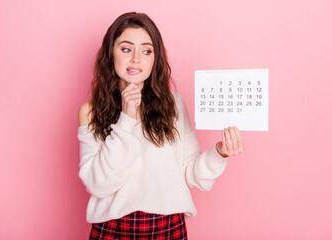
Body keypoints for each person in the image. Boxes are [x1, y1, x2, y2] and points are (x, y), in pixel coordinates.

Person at [78, 12, 244, 240]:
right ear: (110, 53)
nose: (136, 58)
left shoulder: (173, 104)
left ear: (154, 59)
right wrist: (126, 118)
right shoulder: (90, 111)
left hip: (167, 227)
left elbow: (190, 172)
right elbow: (97, 184)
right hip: (113, 229)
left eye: (146, 51)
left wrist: (219, 153)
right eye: (126, 49)